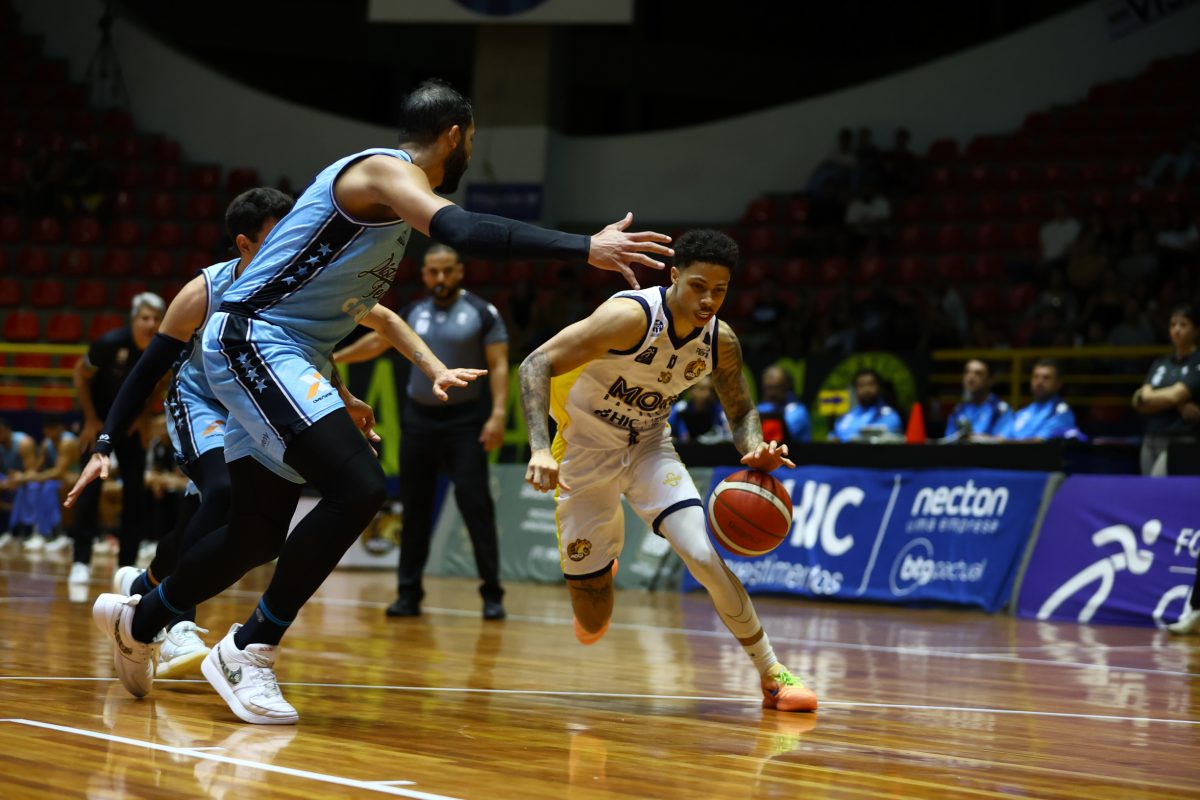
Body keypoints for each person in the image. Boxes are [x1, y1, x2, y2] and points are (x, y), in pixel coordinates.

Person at [90, 78, 672, 724]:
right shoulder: (382, 172)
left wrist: (337, 389)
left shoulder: (387, 199)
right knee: (360, 485)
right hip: (256, 341)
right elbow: (462, 228)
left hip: (285, 354)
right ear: (455, 135)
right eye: (471, 140)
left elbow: (350, 310)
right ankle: (248, 648)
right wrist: (584, 246)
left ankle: (141, 619)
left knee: (255, 532)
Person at [519, 229, 817, 713]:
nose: (708, 300)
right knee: (592, 620)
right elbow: (535, 364)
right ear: (675, 276)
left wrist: (754, 448)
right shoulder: (629, 318)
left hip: (649, 446)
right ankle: (601, 570)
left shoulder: (719, 341)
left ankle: (772, 674)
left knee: (702, 556)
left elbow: (741, 409)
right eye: (698, 286)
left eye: (720, 290)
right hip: (582, 450)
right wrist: (538, 448)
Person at [68, 187, 295, 678]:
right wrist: (105, 442)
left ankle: (143, 585)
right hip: (199, 401)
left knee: (223, 518)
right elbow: (145, 372)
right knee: (223, 492)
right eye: (279, 233)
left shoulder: (295, 282)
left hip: (251, 406)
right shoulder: (203, 292)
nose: (294, 240)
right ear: (245, 244)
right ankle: (174, 622)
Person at [333, 243, 510, 620]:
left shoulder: (482, 312)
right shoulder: (413, 312)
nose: (440, 278)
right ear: (424, 274)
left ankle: (492, 595)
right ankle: (408, 594)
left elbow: (498, 364)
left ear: (460, 271)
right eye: (433, 271)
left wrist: (497, 415)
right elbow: (378, 341)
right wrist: (335, 357)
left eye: (447, 270)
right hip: (419, 421)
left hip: (464, 422)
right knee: (414, 509)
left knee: (476, 506)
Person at [68, 292, 166, 583]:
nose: (150, 324)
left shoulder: (162, 346)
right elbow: (79, 374)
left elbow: (162, 381)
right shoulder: (110, 343)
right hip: (99, 422)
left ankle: (127, 564)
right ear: (134, 320)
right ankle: (81, 560)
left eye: (156, 319)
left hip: (131, 426)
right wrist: (90, 420)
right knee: (90, 489)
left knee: (135, 493)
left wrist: (143, 417)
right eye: (145, 318)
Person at [1131, 304, 1200, 476]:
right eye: (1173, 324)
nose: (1176, 330)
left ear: (1196, 330)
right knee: (1147, 488)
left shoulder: (1197, 362)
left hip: (1180, 438)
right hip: (1151, 436)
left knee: (1158, 482)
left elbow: (1176, 394)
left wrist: (1153, 398)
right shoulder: (1160, 363)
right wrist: (1177, 403)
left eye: (1183, 324)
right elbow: (1139, 400)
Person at [6, 415, 77, 552]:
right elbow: (38, 467)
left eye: (52, 429)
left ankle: (53, 533)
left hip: (74, 477)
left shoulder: (67, 443)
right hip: (56, 479)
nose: (49, 432)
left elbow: (59, 471)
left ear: (60, 428)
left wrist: (32, 477)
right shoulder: (46, 443)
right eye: (47, 429)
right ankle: (21, 530)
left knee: (48, 488)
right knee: (29, 486)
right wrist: (24, 476)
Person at [995, 359, 1081, 441]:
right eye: (1036, 377)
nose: (1039, 382)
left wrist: (1004, 443)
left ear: (1058, 383)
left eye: (1046, 378)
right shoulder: (1023, 412)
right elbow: (1001, 438)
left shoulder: (1061, 413)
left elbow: (1039, 445)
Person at [943, 360, 1011, 441]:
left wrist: (973, 439)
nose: (970, 377)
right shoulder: (958, 410)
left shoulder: (1000, 409)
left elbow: (1003, 441)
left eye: (978, 373)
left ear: (990, 380)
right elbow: (949, 440)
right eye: (967, 372)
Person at [829, 369, 902, 442]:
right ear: (855, 389)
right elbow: (834, 435)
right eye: (861, 385)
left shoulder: (888, 414)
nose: (866, 389)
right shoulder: (847, 416)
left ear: (879, 387)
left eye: (871, 384)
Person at [666, 375, 732, 444]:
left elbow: (727, 432)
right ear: (691, 390)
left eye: (710, 390)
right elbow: (665, 434)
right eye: (702, 389)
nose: (707, 393)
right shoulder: (679, 409)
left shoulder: (718, 410)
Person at [756, 365, 810, 444]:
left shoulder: (799, 411)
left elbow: (782, 436)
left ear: (786, 386)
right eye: (769, 388)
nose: (772, 393)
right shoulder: (761, 407)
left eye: (777, 387)